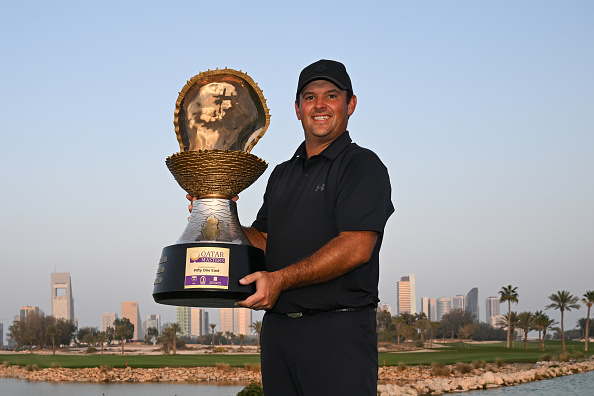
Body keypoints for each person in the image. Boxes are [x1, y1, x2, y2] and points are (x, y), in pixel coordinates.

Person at [189, 59, 393, 395]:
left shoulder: (362, 165)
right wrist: (219, 209)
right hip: (279, 334)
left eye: (331, 95)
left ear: (350, 104)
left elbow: (357, 246)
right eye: (310, 98)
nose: (320, 105)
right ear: (298, 109)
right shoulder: (282, 174)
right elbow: (263, 242)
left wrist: (280, 280)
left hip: (337, 332)